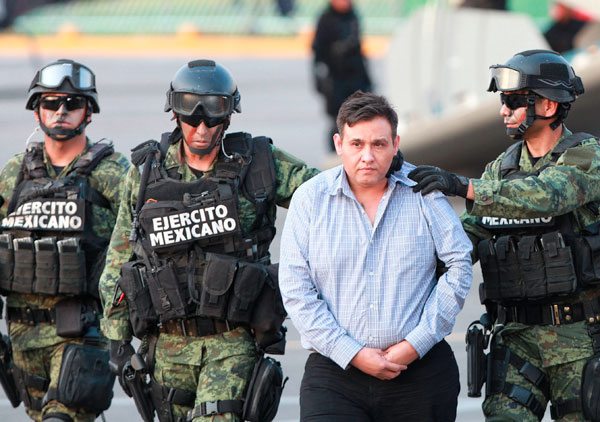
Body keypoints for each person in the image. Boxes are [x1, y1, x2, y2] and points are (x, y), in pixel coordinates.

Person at [98, 59, 319, 422]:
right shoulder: (146, 174)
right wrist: (117, 340)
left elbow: (327, 193)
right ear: (175, 114)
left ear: (228, 117)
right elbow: (120, 258)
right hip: (167, 347)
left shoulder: (258, 164)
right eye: (191, 117)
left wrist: (391, 169)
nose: (201, 128)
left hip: (232, 342)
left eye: (213, 117)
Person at [409, 50, 600, 421]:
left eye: (513, 102)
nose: (502, 111)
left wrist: (463, 186)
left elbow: (548, 195)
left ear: (548, 105)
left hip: (577, 340)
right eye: (503, 101)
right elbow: (467, 236)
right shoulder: (502, 168)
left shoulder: (586, 157)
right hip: (516, 339)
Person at [279, 91, 473, 421]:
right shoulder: (310, 199)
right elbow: (296, 287)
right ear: (339, 144)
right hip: (335, 374)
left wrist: (415, 344)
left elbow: (459, 263)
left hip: (419, 372)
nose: (367, 156)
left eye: (378, 144)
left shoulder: (424, 192)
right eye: (357, 144)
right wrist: (351, 352)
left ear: (395, 144)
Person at [0, 59, 129, 421]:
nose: (61, 112)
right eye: (51, 103)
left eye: (72, 104)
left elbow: (141, 243)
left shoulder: (113, 172)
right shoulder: (15, 173)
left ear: (89, 112)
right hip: (23, 335)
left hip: (81, 332)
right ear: (36, 110)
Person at [312, 0, 372, 153]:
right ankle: (336, 156)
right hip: (335, 81)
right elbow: (318, 53)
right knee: (338, 122)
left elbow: (359, 50)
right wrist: (321, 81)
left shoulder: (353, 16)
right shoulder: (326, 19)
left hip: (356, 79)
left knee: (361, 118)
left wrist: (368, 80)